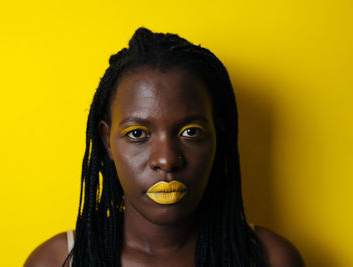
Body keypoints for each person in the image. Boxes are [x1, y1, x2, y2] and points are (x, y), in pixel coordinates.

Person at [24, 27, 304, 267]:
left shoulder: (269, 259)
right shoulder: (58, 261)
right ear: (107, 141)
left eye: (190, 132)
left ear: (217, 136)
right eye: (137, 134)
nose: (167, 159)